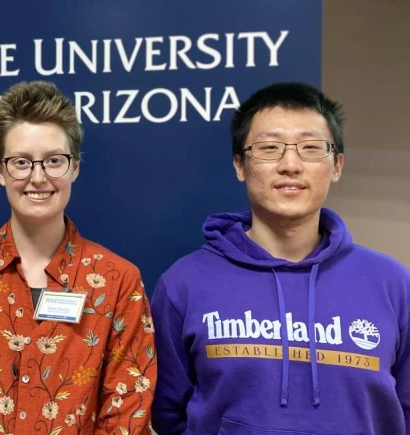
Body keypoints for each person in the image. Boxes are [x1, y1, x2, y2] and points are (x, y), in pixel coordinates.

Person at [151, 82, 410, 434]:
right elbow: (167, 416)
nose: (291, 164)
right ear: (240, 164)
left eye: (310, 148)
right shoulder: (183, 284)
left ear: (337, 166)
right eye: (270, 148)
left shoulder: (393, 284)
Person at [0, 81, 156, 434]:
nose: (38, 178)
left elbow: (126, 411)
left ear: (75, 168)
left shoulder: (117, 280)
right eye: (21, 162)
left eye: (54, 161)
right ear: (0, 171)